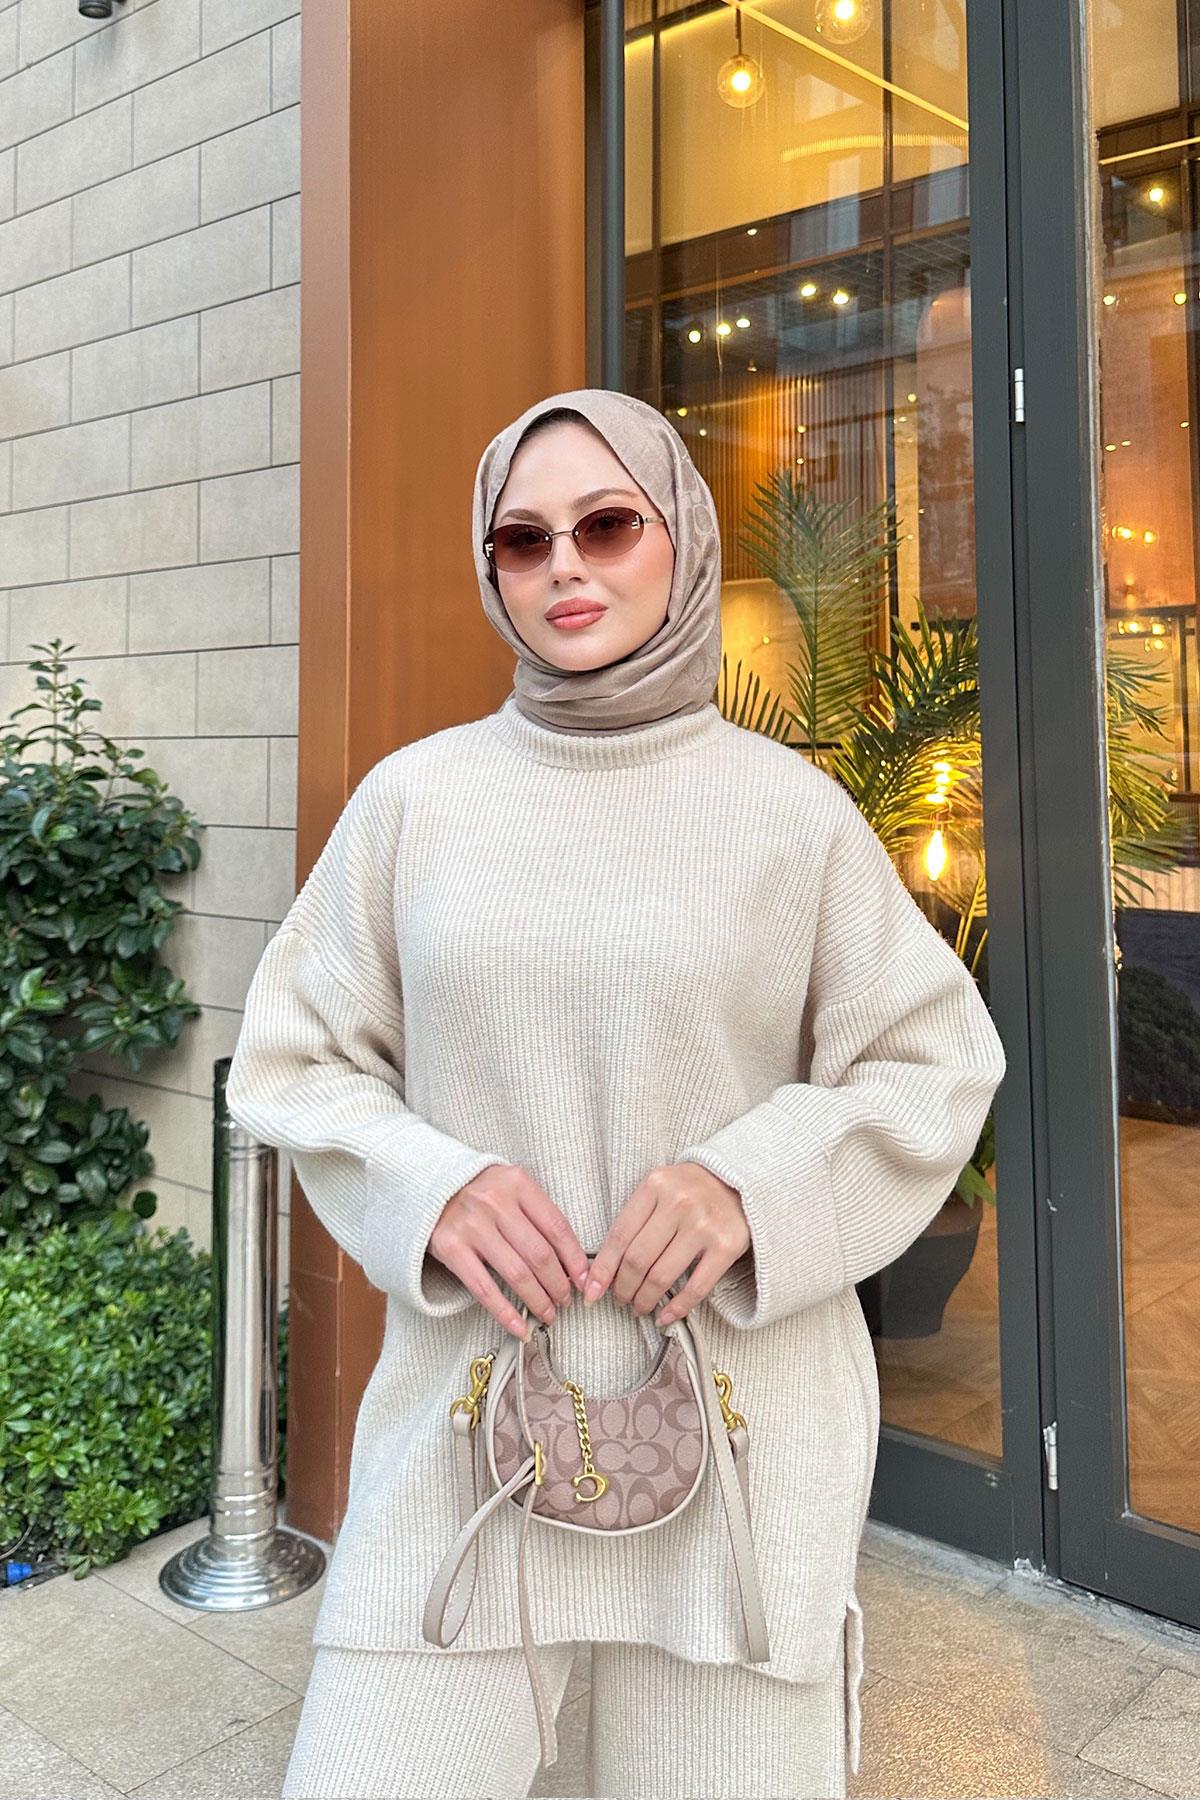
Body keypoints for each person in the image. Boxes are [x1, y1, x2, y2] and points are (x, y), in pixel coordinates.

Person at [225, 387, 1008, 1800]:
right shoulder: (417, 802)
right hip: (466, 1433)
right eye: (523, 540)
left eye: (606, 525)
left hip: (739, 1440)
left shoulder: (788, 813)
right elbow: (296, 1052)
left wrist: (752, 1185)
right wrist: (430, 1185)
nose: (565, 567)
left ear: (681, 538)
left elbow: (934, 1060)